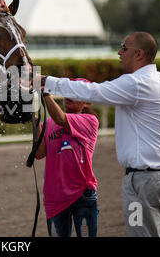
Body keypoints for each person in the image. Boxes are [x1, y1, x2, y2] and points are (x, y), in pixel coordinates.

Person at [40, 32, 160, 237]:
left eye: (124, 48)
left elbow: (94, 92)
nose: (119, 52)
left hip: (142, 183)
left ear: (139, 54)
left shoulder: (136, 83)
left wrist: (45, 81)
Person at [35, 78, 99, 237]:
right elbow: (39, 153)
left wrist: (45, 93)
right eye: (66, 92)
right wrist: (35, 123)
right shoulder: (48, 124)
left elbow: (61, 119)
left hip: (82, 194)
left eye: (75, 93)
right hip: (54, 198)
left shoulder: (90, 121)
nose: (68, 96)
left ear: (87, 103)